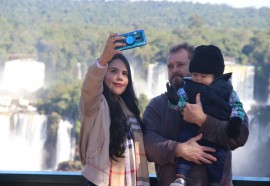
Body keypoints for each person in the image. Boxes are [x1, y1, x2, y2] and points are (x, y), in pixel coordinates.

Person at [142, 42, 249, 186]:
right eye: (170, 66)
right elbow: (147, 144)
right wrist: (178, 149)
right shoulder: (157, 105)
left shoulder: (223, 97)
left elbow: (240, 136)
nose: (174, 70)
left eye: (180, 65)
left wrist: (203, 120)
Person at [78, 33, 150, 186]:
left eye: (125, 74)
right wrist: (104, 59)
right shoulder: (95, 105)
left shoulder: (130, 109)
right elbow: (89, 87)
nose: (120, 77)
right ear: (103, 75)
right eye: (113, 71)